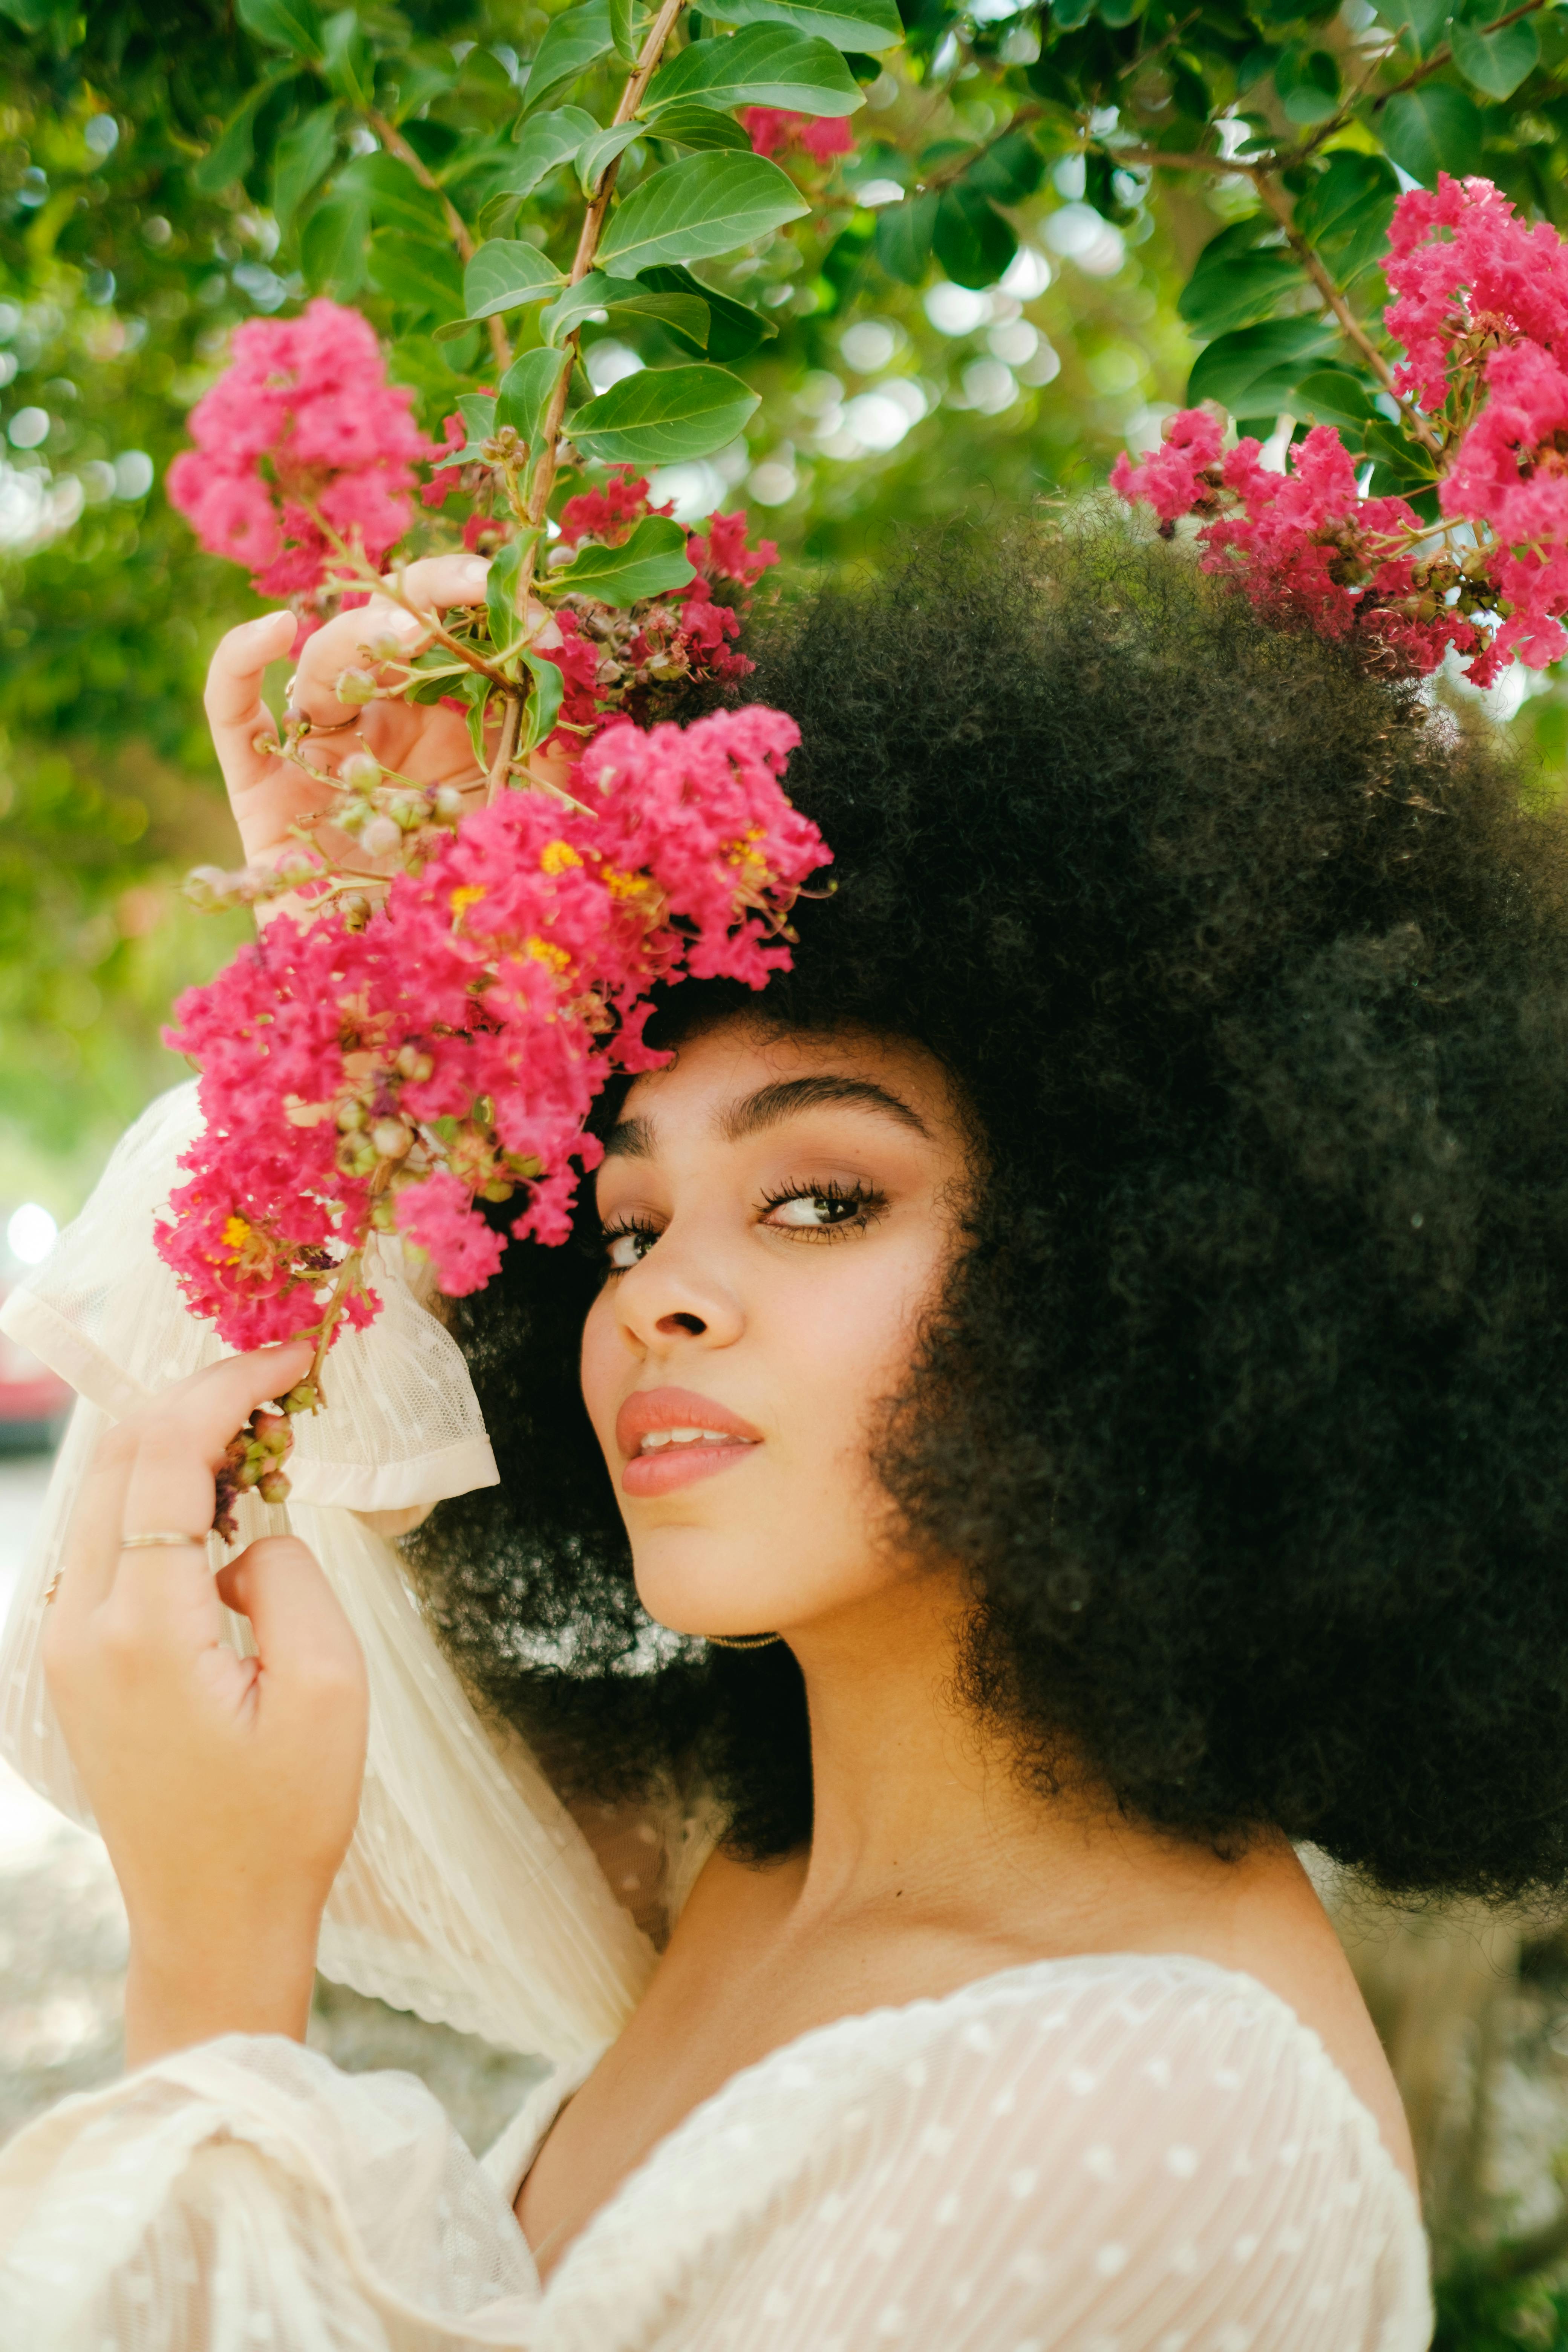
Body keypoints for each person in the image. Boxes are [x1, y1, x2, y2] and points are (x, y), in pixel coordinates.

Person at [12, 516, 1568, 2349]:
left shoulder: (1162, 2108)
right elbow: (112, 1705)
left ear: (1158, 1265)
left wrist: (212, 1994)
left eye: (822, 1199)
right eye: (624, 1225)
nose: (656, 1300)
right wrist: (358, 988)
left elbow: (209, 1835)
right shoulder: (730, 1853)